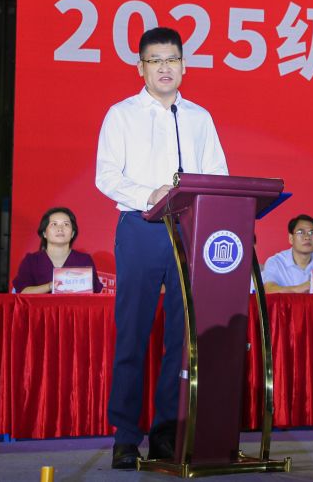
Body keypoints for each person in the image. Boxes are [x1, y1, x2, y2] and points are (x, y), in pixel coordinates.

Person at [95, 26, 228, 469]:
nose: (165, 68)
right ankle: (125, 437)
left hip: (190, 230)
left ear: (184, 66)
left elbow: (217, 173)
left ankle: (166, 433)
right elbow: (106, 176)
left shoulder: (199, 117)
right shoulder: (122, 115)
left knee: (181, 337)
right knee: (132, 333)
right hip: (142, 227)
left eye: (172, 59)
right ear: (141, 67)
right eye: (155, 60)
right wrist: (149, 195)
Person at [12, 207, 103, 294]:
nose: (60, 229)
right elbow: (22, 292)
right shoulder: (31, 261)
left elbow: (94, 292)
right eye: (54, 224)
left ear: (72, 233)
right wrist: (50, 286)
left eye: (66, 224)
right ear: (44, 233)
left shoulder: (84, 260)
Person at [261, 215, 313, 293]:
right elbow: (269, 290)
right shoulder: (276, 262)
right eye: (300, 232)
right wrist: (298, 289)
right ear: (291, 238)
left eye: (312, 233)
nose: (307, 237)